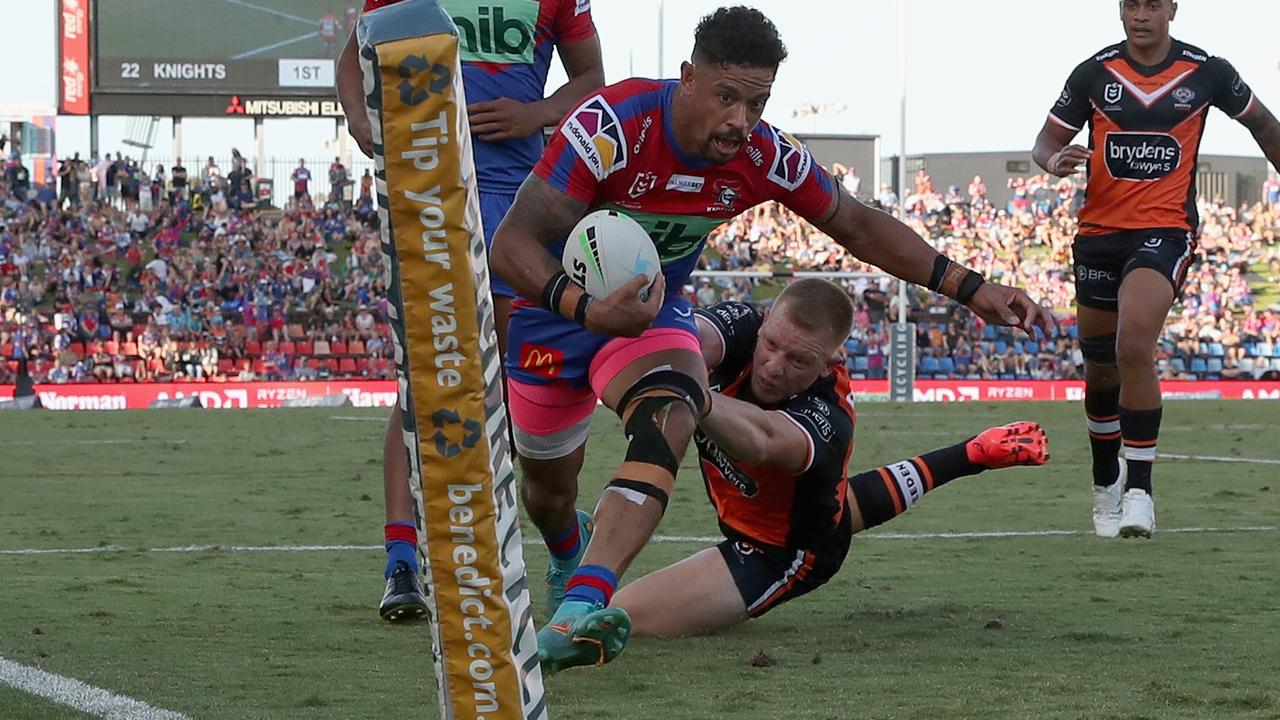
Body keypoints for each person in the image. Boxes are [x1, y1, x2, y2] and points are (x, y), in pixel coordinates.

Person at [489, 6, 1052, 672]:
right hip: (554, 315)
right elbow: (511, 243)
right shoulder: (612, 127)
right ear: (688, 78)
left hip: (644, 317)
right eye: (727, 96)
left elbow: (857, 224)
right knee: (547, 492)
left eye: (757, 102)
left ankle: (580, 608)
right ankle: (566, 549)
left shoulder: (762, 155)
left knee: (672, 406)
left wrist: (968, 286)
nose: (741, 119)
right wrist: (582, 305)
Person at [596, 282, 1048, 652]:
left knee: (615, 617)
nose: (774, 366)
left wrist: (695, 394)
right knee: (832, 504)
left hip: (781, 554)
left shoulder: (829, 415)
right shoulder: (743, 325)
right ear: (766, 320)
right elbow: (690, 337)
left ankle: (971, 456)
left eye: (800, 361)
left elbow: (762, 440)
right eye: (772, 344)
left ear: (830, 361)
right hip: (793, 509)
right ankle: (973, 454)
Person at [337, 0, 605, 621]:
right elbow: (354, 57)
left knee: (513, 387)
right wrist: (359, 119)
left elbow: (592, 78)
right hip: (426, 190)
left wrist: (534, 114)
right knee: (423, 375)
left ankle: (555, 543)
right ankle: (401, 562)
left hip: (519, 196)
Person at [1032, 0, 1280, 539]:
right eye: (1130, 4)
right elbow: (1045, 141)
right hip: (1097, 235)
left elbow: (1263, 124)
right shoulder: (1094, 73)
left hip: (1165, 231)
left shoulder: (1208, 71)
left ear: (1173, 9)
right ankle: (1105, 483)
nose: (1139, 14)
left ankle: (1141, 491)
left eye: (1151, 3)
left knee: (1134, 343)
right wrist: (1054, 160)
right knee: (1099, 369)